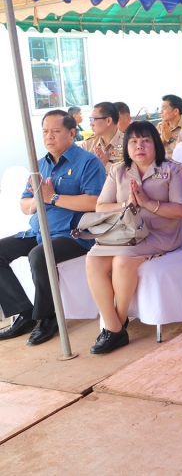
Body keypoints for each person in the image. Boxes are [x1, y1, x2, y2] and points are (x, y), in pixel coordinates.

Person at [85, 121, 182, 354]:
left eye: (145, 140)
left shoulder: (172, 169)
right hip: (124, 234)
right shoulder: (118, 170)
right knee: (93, 260)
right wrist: (126, 204)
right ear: (126, 146)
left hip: (158, 235)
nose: (139, 145)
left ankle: (114, 327)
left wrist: (148, 204)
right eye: (133, 141)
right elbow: (101, 206)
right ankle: (115, 326)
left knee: (122, 261)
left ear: (156, 144)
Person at [0, 110, 106, 344]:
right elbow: (24, 203)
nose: (49, 137)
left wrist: (53, 198)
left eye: (55, 131)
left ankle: (48, 317)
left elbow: (94, 202)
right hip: (38, 231)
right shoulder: (39, 165)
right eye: (45, 131)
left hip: (74, 234)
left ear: (71, 132)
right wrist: (39, 198)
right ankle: (25, 313)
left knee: (40, 255)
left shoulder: (88, 162)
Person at [80, 101, 124, 172]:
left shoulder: (128, 144)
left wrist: (106, 165)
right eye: (90, 120)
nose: (91, 124)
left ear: (108, 121)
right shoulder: (88, 144)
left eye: (93, 120)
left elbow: (131, 175)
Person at [158, 94, 182, 158]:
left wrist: (170, 139)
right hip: (163, 166)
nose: (161, 111)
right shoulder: (160, 127)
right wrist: (161, 141)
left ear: (176, 111)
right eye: (161, 108)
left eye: (164, 108)